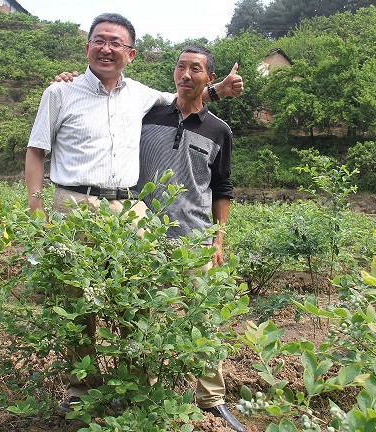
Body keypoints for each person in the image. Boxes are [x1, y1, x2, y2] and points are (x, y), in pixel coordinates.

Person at [24, 12, 243, 412]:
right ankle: (81, 390)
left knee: (136, 299)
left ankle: (136, 385)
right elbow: (36, 150)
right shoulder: (60, 92)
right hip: (73, 202)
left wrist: (219, 91)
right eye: (99, 40)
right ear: (87, 44)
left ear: (131, 54)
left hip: (129, 209)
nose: (106, 48)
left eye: (116, 43)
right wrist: (37, 210)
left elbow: (187, 100)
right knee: (78, 302)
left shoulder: (143, 96)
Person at [136, 45, 244, 432]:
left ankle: (211, 399)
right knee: (143, 317)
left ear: (208, 78)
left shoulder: (219, 130)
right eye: (180, 66)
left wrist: (219, 239)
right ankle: (143, 391)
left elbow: (222, 187)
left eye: (194, 68)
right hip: (142, 237)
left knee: (206, 319)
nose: (185, 74)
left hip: (196, 238)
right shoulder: (146, 115)